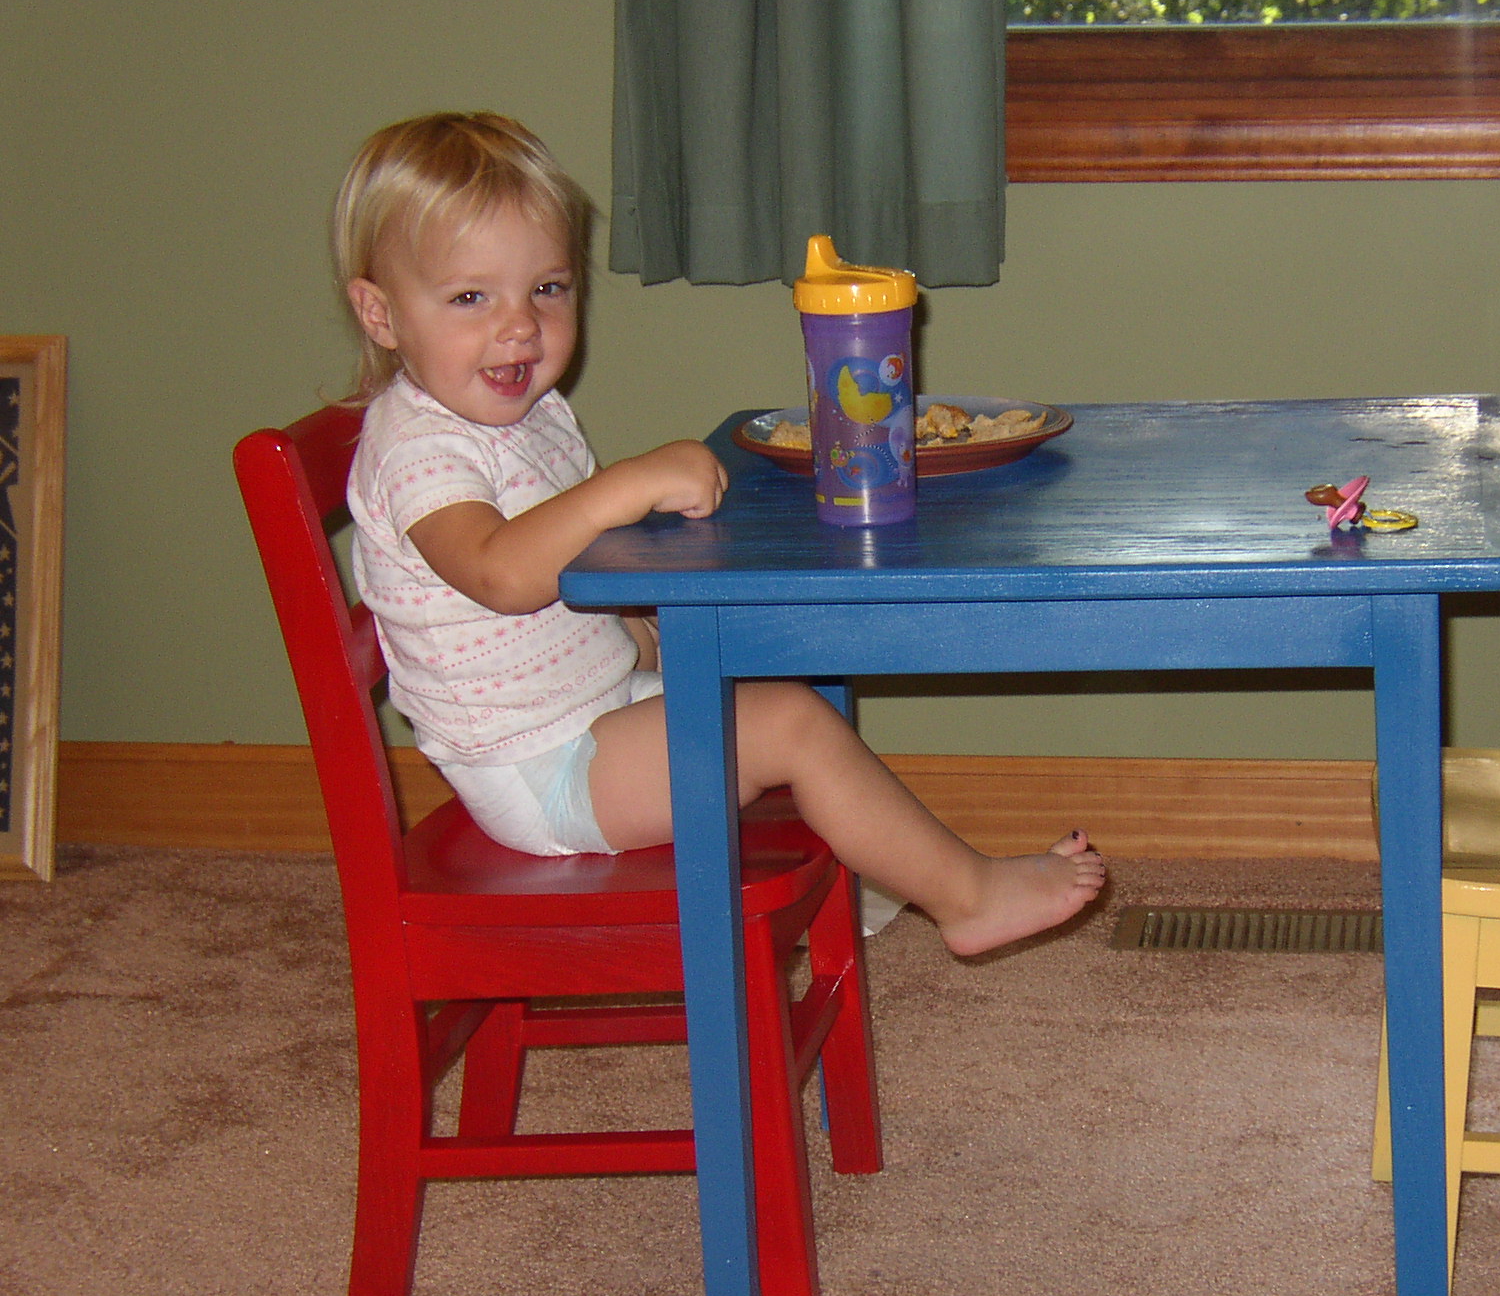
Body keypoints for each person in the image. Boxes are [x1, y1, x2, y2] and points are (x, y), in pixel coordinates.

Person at [334, 111, 1104, 956]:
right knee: (790, 725)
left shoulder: (533, 416)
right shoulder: (417, 448)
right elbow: (497, 573)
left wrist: (640, 632)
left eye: (547, 289)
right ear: (379, 313)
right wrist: (622, 483)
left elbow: (577, 569)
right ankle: (968, 897)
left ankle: (884, 856)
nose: (519, 325)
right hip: (539, 769)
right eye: (470, 297)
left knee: (777, 667)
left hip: (594, 711)